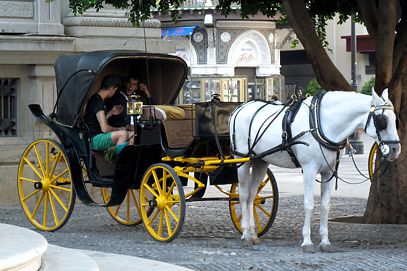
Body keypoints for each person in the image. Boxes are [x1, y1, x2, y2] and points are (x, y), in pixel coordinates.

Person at [84, 75, 132, 157]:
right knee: (123, 134)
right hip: (94, 139)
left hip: (99, 135)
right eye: (115, 90)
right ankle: (118, 163)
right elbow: (105, 128)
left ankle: (123, 156)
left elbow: (98, 121)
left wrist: (111, 113)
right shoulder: (97, 101)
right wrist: (120, 128)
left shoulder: (97, 99)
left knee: (133, 134)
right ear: (111, 88)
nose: (114, 93)